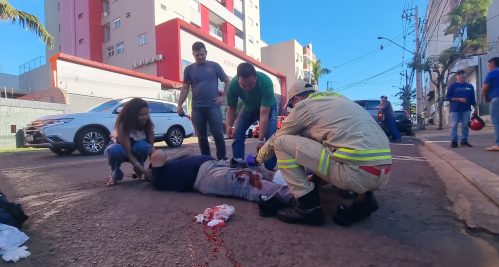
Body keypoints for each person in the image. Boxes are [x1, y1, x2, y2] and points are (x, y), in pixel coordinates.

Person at [252, 81, 392, 226]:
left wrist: (258, 158)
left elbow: (277, 138)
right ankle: (365, 198)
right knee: (335, 145)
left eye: (291, 105)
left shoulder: (304, 106)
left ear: (296, 99)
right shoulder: (338, 100)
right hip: (383, 172)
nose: (292, 109)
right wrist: (314, 183)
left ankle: (308, 207)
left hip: (355, 173)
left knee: (282, 143)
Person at [148, 149, 293, 214]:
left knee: (259, 168)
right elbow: (158, 154)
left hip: (219, 164)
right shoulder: (158, 177)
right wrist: (166, 160)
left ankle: (301, 183)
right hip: (207, 175)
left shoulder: (163, 170)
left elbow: (190, 151)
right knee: (248, 179)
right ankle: (297, 197)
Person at [177, 41, 230, 160]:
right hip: (197, 108)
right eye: (197, 55)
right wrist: (179, 105)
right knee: (201, 136)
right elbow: (185, 88)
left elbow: (227, 80)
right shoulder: (189, 69)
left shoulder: (214, 66)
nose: (200, 57)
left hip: (213, 106)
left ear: (206, 53)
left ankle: (222, 159)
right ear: (193, 55)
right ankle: (206, 159)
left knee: (218, 134)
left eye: (202, 54)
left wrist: (224, 96)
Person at [226, 62, 278, 170]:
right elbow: (231, 108)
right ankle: (238, 163)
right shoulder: (233, 85)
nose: (247, 88)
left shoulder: (266, 83)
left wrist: (260, 140)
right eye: (243, 85)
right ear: (238, 79)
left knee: (269, 140)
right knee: (238, 132)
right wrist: (229, 125)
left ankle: (270, 168)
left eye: (251, 84)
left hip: (268, 109)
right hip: (248, 108)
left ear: (256, 78)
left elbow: (263, 115)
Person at [104, 98, 154, 186]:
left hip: (137, 148)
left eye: (147, 114)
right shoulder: (123, 125)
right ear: (132, 115)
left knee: (143, 146)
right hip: (122, 149)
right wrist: (145, 172)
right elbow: (128, 153)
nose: (145, 117)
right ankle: (115, 172)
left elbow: (151, 149)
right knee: (113, 150)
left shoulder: (148, 123)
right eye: (141, 115)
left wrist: (153, 167)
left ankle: (138, 170)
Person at [445, 69, 478, 148]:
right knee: (454, 125)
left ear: (465, 75)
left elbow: (473, 99)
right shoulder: (452, 86)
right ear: (456, 77)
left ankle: (464, 141)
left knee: (465, 125)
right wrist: (458, 99)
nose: (461, 76)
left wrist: (476, 109)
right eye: (459, 75)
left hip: (466, 109)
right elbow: (447, 97)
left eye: (463, 74)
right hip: (455, 109)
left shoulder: (470, 86)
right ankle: (454, 142)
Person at [481, 57, 499, 151]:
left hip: (496, 99)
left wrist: (484, 97)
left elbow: (484, 88)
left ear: (493, 64)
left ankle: (498, 144)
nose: (488, 67)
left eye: (489, 65)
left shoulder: (492, 73)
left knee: (497, 122)